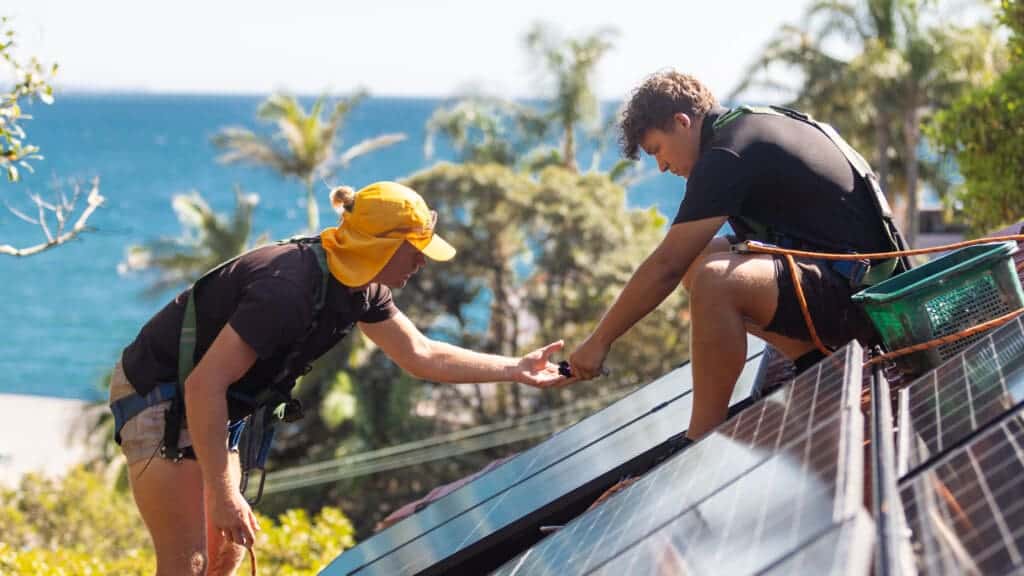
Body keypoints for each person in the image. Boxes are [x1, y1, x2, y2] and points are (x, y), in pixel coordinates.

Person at [108, 181, 571, 575]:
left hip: (215, 403)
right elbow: (202, 385)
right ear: (382, 246)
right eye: (416, 251)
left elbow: (422, 353)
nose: (422, 263)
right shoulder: (286, 290)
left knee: (224, 553)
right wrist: (225, 495)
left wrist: (516, 369)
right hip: (162, 397)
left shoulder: (360, 288)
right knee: (187, 562)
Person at [569, 70, 906, 441]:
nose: (662, 167)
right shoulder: (748, 126)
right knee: (701, 259)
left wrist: (600, 341)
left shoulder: (727, 153)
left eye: (657, 151)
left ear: (682, 123)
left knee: (716, 280)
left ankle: (699, 441)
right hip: (849, 283)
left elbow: (666, 265)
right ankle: (812, 360)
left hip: (869, 303)